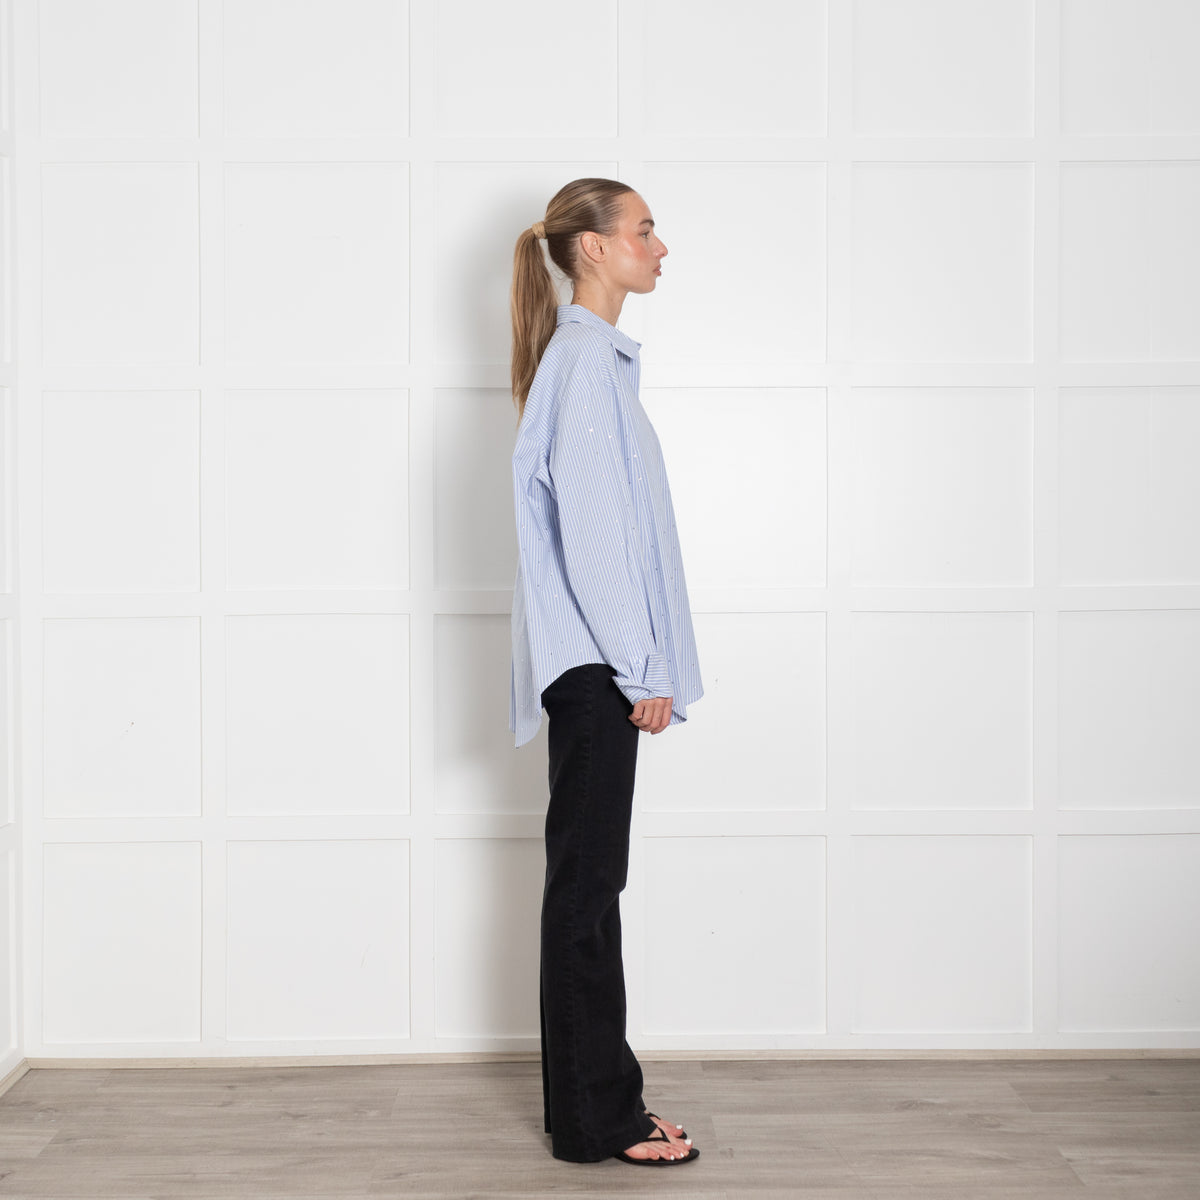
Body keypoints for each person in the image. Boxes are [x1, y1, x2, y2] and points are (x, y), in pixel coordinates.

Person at [508, 178, 703, 1167]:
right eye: (644, 229)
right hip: (596, 670)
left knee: (590, 888)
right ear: (591, 248)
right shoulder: (586, 364)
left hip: (593, 668)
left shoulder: (593, 363)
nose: (660, 247)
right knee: (586, 892)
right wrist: (639, 666)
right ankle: (596, 1120)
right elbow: (593, 539)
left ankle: (610, 1101)